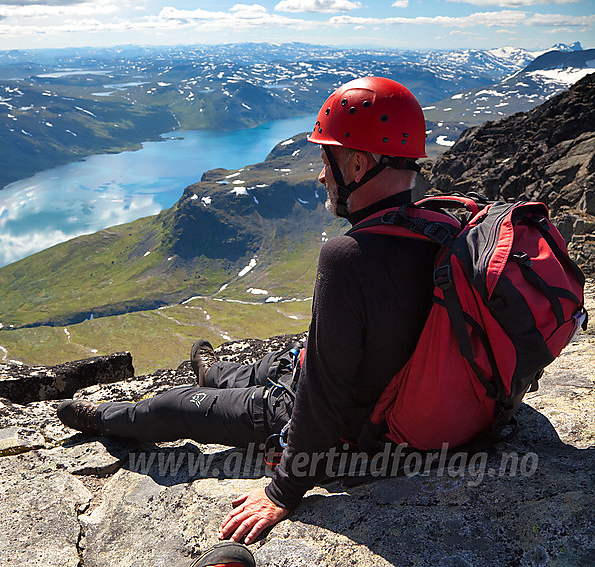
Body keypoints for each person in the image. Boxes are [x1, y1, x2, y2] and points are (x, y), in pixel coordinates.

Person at [56, 76, 438, 544]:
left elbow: (324, 396)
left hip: (338, 421)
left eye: (327, 159)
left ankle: (106, 417)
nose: (321, 175)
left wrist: (284, 491)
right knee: (270, 365)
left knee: (175, 407)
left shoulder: (348, 257)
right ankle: (214, 372)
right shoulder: (441, 227)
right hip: (390, 395)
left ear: (357, 164)